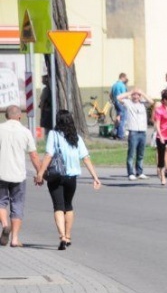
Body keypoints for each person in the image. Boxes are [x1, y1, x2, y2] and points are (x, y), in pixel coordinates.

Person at [35, 109, 102, 249]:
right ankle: (68, 235)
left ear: (57, 121)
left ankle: (62, 237)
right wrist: (95, 177)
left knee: (58, 207)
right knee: (68, 206)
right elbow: (86, 158)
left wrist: (40, 173)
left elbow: (48, 155)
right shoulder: (76, 137)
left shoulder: (53, 135)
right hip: (72, 178)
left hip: (55, 177)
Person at [0, 105, 41, 247]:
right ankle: (15, 239)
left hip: (1, 173)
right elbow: (34, 155)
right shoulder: (25, 132)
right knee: (17, 205)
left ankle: (5, 225)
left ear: (6, 116)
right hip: (18, 175)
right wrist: (40, 172)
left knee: (1, 202)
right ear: (19, 116)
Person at [117, 87, 151, 180]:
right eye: (134, 95)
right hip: (133, 131)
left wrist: (142, 92)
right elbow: (118, 97)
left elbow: (151, 102)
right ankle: (130, 173)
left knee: (141, 153)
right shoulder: (128, 103)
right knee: (131, 153)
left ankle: (139, 172)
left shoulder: (143, 104)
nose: (136, 97)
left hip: (142, 131)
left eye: (137, 95)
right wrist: (130, 92)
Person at [110, 72, 128, 140]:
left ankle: (115, 132)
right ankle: (120, 135)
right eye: (125, 78)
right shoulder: (122, 85)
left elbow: (111, 94)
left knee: (118, 117)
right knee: (122, 119)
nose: (126, 80)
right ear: (122, 77)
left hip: (115, 103)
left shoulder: (114, 85)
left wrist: (113, 100)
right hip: (121, 103)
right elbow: (124, 95)